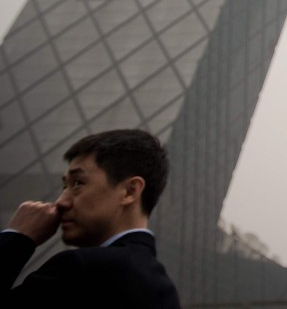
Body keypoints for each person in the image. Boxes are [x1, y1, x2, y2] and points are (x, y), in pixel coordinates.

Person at [0, 128, 181, 307]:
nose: (61, 202)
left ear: (130, 191)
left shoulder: (79, 269)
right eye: (65, 186)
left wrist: (16, 237)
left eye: (78, 183)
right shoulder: (164, 288)